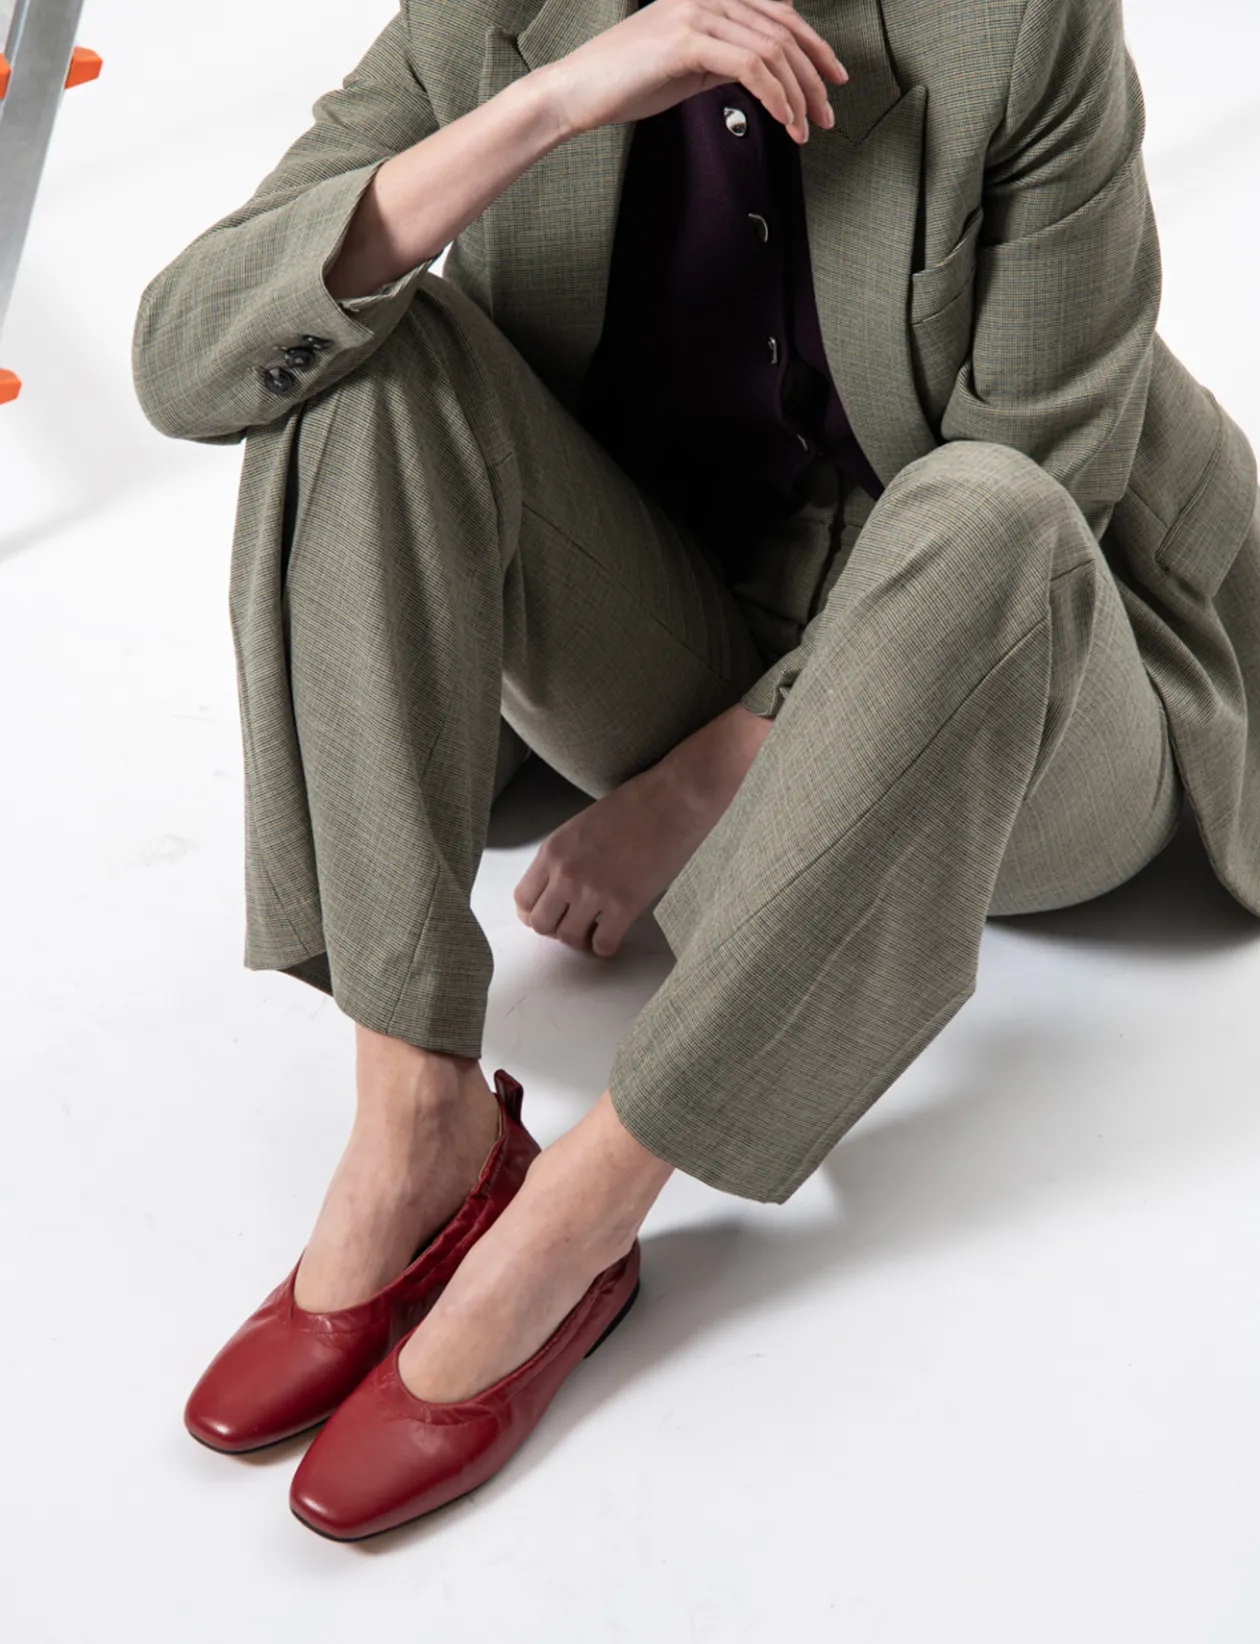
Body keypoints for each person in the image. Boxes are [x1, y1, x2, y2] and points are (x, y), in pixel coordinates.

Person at [131, 0, 1260, 1541]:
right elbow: (189, 356)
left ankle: (582, 1211)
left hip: (1019, 695)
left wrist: (688, 793)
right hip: (673, 621)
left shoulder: (1013, 24)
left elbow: (1052, 478)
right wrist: (555, 102)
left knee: (987, 512)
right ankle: (417, 1121)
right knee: (358, 352)